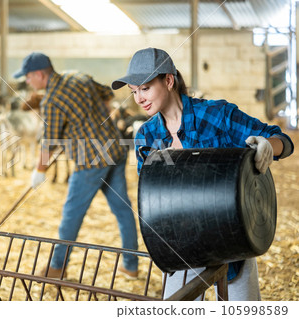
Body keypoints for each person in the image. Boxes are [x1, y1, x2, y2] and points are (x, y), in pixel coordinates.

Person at [112, 47, 294, 300]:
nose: (138, 99)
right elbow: (151, 197)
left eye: (145, 88)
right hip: (178, 243)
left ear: (168, 80)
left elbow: (282, 139)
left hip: (231, 239)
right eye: (133, 92)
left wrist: (267, 146)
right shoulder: (146, 135)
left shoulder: (217, 114)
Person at [13, 52, 139, 279]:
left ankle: (56, 267)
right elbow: (106, 94)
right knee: (123, 209)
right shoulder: (78, 76)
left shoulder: (51, 101)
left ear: (40, 74)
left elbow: (49, 141)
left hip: (91, 160)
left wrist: (38, 171)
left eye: (28, 77)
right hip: (115, 149)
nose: (27, 82)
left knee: (71, 214)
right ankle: (131, 265)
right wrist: (94, 122)